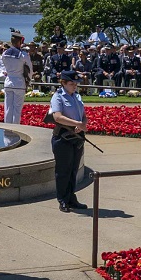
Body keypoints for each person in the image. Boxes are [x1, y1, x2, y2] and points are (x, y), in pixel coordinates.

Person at [48, 71, 89, 214]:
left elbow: (84, 115)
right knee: (63, 171)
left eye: (76, 84)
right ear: (63, 83)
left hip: (77, 136)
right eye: (71, 83)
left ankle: (71, 197)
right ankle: (63, 200)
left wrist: (82, 123)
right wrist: (76, 123)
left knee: (73, 170)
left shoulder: (77, 96)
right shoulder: (58, 96)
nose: (75, 86)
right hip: (63, 137)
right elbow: (57, 117)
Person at [0, 32, 30, 126]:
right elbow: (30, 69)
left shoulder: (5, 53)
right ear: (20, 41)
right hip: (19, 82)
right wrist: (28, 80)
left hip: (8, 82)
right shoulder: (23, 55)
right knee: (17, 110)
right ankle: (16, 130)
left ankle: (7, 128)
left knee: (8, 108)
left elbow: (3, 67)